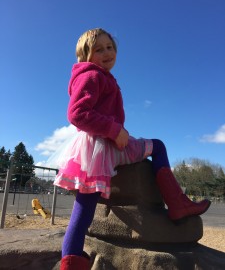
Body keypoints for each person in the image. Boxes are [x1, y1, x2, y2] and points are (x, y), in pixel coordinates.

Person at [53, 28, 211, 270]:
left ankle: (71, 261)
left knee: (83, 209)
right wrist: (115, 131)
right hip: (102, 146)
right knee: (157, 146)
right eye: (98, 49)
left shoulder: (97, 75)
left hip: (99, 146)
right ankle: (178, 204)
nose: (107, 52)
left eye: (110, 47)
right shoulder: (92, 75)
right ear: (84, 56)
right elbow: (77, 113)